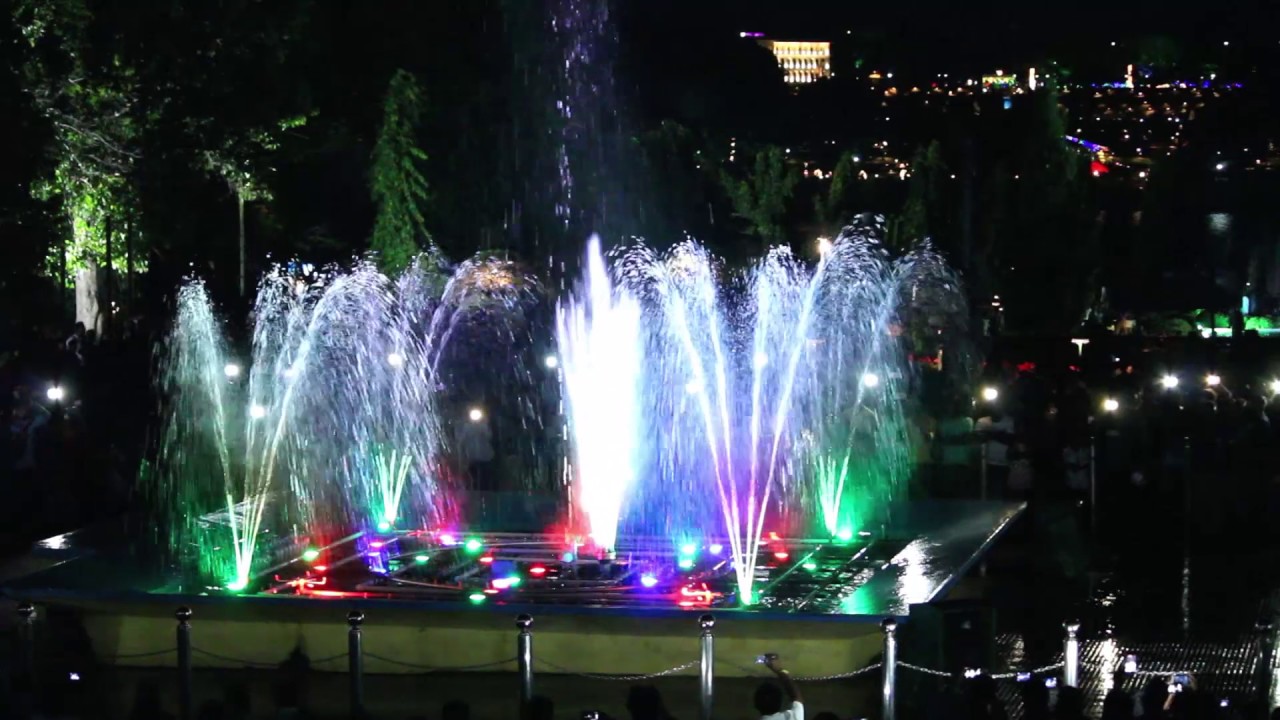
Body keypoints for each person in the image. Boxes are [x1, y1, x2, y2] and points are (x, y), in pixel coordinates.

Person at [754, 654, 803, 720]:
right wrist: (779, 670)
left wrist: (779, 671)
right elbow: (796, 698)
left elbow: (797, 699)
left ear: (756, 705)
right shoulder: (790, 716)